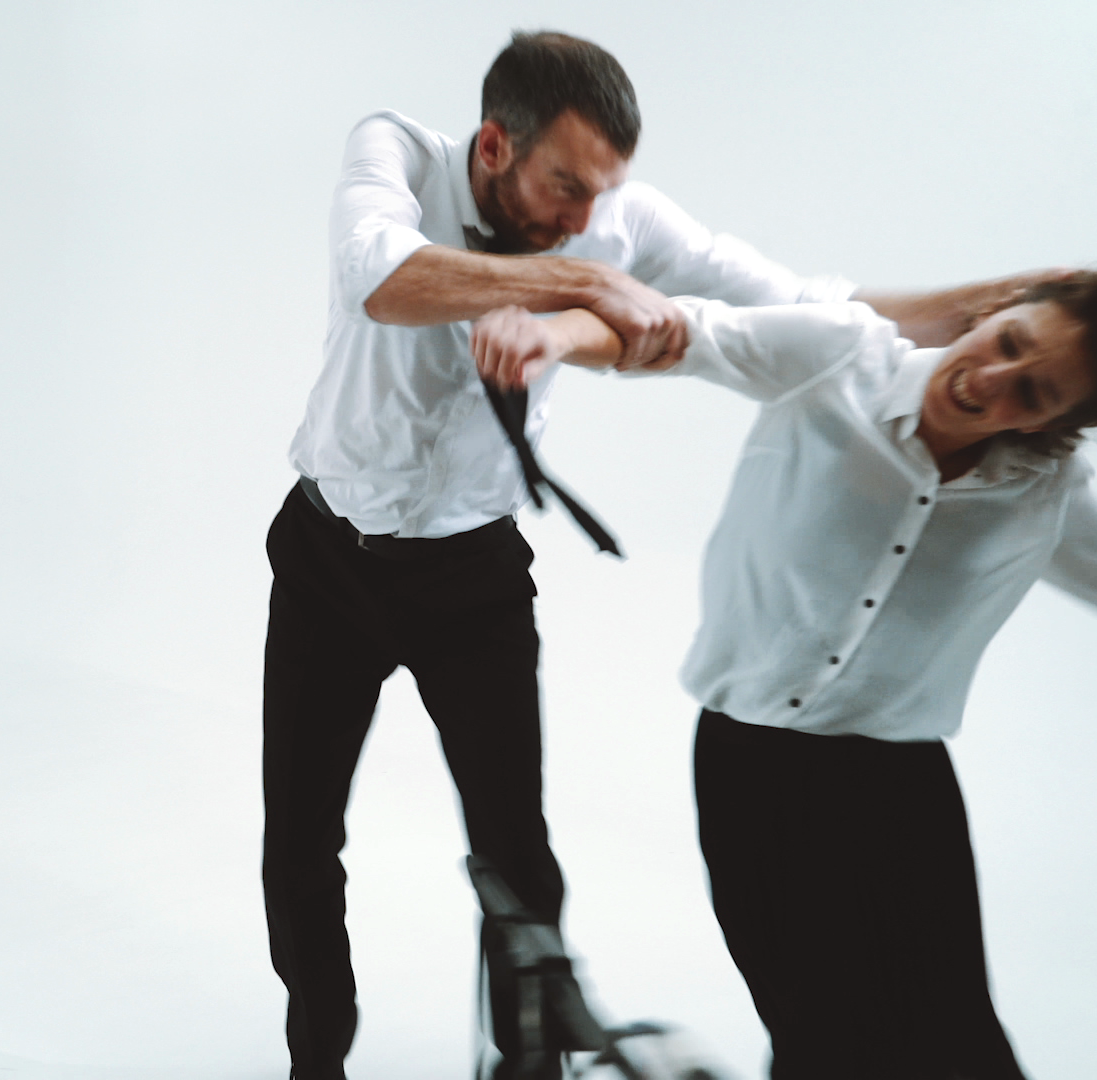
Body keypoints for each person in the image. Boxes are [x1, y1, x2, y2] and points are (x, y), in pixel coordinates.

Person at [264, 29, 1055, 1080]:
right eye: (564, 185)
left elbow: (801, 303)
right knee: (301, 848)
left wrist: (994, 305)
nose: (586, 219)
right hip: (328, 561)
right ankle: (316, 1058)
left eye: (602, 194)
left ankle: (529, 1064)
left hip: (472, 579)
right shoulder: (398, 153)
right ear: (494, 147)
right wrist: (584, 287)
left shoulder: (616, 221)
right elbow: (383, 277)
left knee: (518, 862)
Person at [469, 268, 1097, 1078]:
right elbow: (672, 331)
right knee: (825, 1040)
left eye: (1034, 392)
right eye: (1010, 341)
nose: (992, 377)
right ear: (997, 311)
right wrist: (547, 335)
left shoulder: (1038, 486)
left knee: (961, 1048)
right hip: (751, 767)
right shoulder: (836, 356)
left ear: (1050, 423)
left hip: (900, 787)